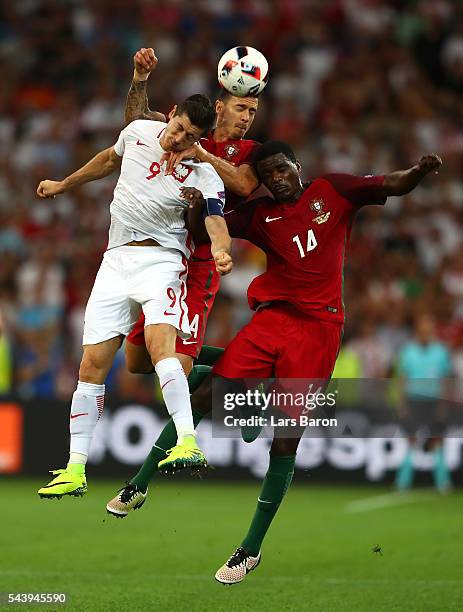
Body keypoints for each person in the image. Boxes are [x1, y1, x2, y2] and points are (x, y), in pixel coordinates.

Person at [109, 139, 442, 583]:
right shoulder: (261, 215)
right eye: (267, 175)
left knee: (284, 443)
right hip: (274, 320)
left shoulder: (333, 190)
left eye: (282, 169)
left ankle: (250, 549)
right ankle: (139, 484)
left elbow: (392, 184)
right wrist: (196, 201)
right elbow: (209, 226)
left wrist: (417, 171)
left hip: (319, 331)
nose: (277, 178)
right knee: (206, 394)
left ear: (297, 166)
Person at [36, 93, 233, 499]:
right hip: (115, 261)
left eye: (190, 137)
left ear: (200, 139)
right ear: (172, 113)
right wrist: (63, 184)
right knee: (92, 365)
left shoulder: (203, 173)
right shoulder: (139, 132)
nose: (178, 140)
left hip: (162, 262)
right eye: (178, 128)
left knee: (162, 348)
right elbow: (108, 160)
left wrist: (220, 249)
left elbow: (214, 217)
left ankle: (187, 441)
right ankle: (75, 468)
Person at [105, 47, 262, 515]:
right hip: (160, 262)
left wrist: (203, 158)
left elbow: (244, 185)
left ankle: (139, 483)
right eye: (239, 108)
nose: (246, 118)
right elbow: (135, 124)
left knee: (176, 366)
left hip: (197, 269)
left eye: (252, 110)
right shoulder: (184, 129)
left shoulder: (246, 153)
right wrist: (139, 79)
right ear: (219, 106)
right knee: (137, 362)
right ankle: (254, 372)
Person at [395, 313, 452, 492]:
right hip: (413, 399)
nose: (426, 333)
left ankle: (443, 483)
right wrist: (401, 404)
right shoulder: (408, 352)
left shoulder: (441, 352)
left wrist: (444, 404)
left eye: (429, 330)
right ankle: (403, 483)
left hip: (434, 400)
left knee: (436, 440)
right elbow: (402, 379)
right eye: (423, 330)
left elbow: (445, 380)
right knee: (411, 440)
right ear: (418, 331)